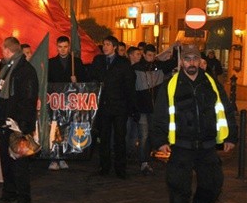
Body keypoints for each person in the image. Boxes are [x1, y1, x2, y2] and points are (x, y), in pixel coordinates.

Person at [151, 44, 238, 203]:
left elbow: (226, 109)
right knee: (179, 189)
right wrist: (160, 141)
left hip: (206, 145)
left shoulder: (211, 83)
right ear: (181, 62)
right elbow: (160, 115)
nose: (191, 63)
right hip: (181, 146)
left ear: (200, 61)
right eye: (187, 59)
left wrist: (231, 136)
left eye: (195, 59)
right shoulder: (171, 85)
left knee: (212, 186)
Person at [0, 37, 39, 203]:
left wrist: (23, 124)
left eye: (3, 51)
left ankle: (24, 197)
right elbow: (0, 91)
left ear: (8, 51)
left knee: (20, 162)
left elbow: (29, 99)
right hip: (4, 122)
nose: (2, 54)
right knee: (6, 160)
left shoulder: (26, 71)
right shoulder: (7, 69)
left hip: (17, 124)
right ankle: (9, 192)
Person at [91, 36, 136, 178]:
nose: (105, 47)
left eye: (108, 44)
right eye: (104, 44)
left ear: (114, 47)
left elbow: (129, 85)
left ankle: (120, 168)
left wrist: (130, 106)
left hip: (119, 106)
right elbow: (92, 78)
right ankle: (104, 167)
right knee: (104, 138)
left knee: (119, 138)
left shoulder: (123, 62)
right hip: (103, 106)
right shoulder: (98, 61)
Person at [132, 44, 176, 175]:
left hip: (155, 109)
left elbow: (172, 63)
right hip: (142, 108)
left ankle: (147, 157)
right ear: (144, 55)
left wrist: (173, 49)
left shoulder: (159, 67)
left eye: (153, 55)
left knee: (151, 134)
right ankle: (143, 162)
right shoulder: (136, 69)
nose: (151, 58)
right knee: (144, 136)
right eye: (149, 55)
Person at [47, 35, 88, 170]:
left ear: (69, 47)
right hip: (55, 102)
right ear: (56, 47)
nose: (63, 50)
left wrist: (77, 80)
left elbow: (84, 83)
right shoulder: (51, 63)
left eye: (65, 47)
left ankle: (63, 156)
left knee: (66, 129)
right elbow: (47, 82)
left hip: (70, 103)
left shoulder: (76, 62)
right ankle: (54, 157)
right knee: (55, 129)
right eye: (60, 47)